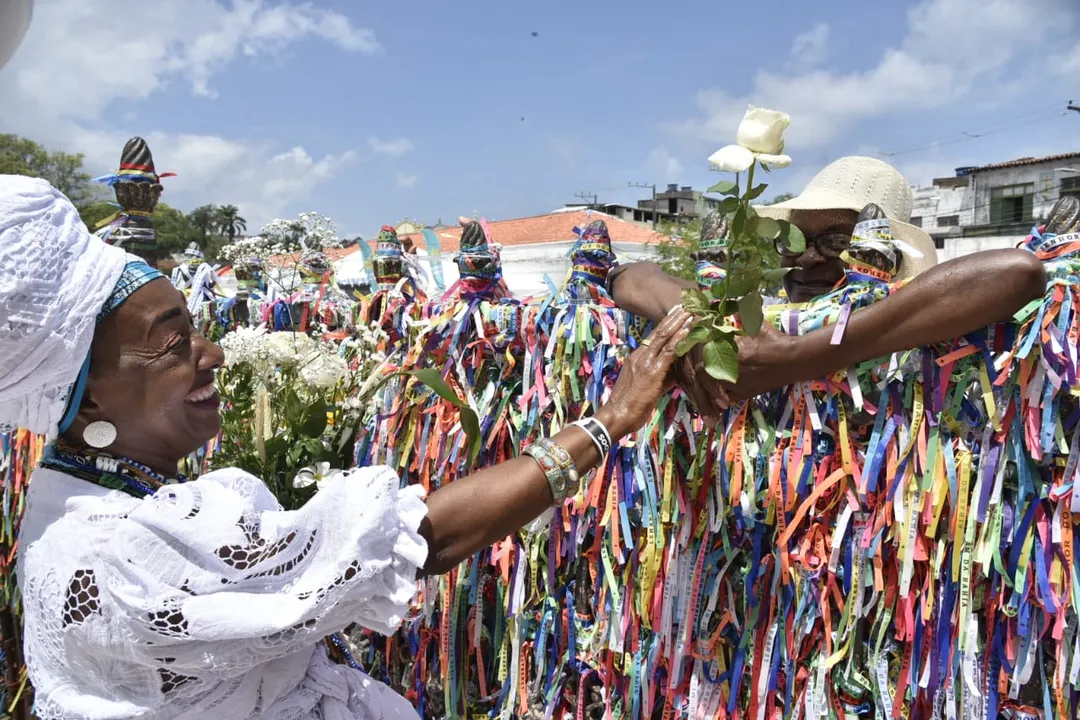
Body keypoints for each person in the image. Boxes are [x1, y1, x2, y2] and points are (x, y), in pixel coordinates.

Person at [0, 175, 694, 719]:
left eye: (198, 328)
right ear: (86, 396)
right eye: (174, 343)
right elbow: (420, 540)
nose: (211, 354)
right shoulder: (118, 552)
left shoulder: (78, 498)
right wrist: (610, 419)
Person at [608, 156, 1048, 420]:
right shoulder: (756, 318)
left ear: (885, 254)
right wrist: (699, 322)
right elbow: (631, 277)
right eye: (793, 240)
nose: (808, 258)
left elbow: (1019, 273)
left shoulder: (920, 318)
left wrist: (793, 356)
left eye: (838, 242)